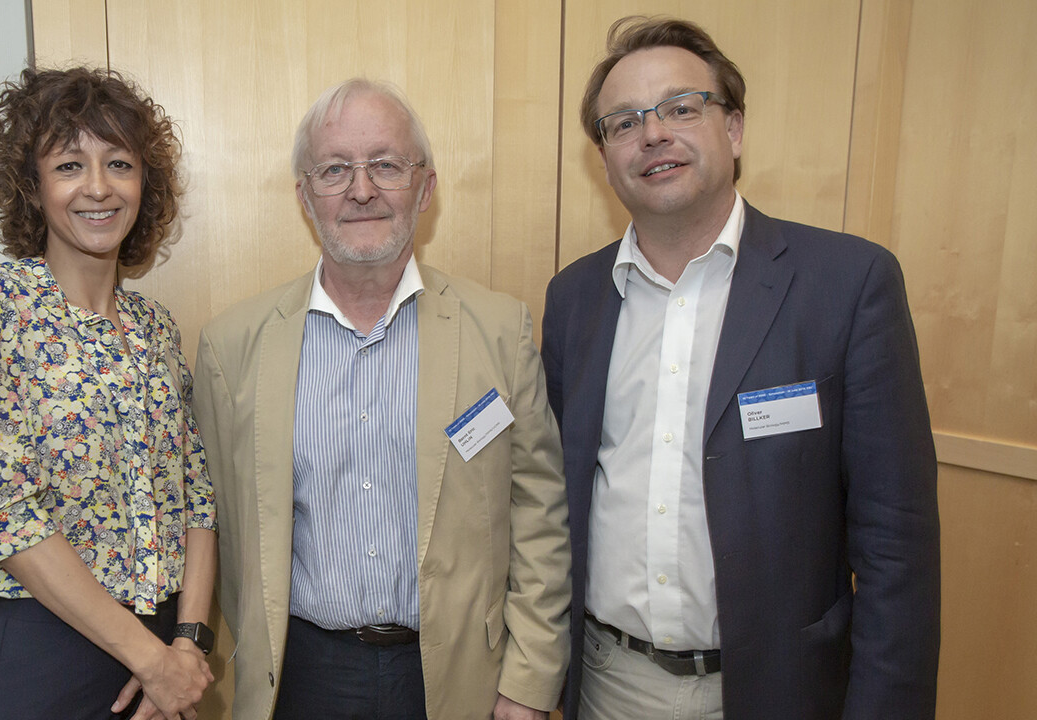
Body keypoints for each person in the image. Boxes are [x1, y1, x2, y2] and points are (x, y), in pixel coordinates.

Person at [541, 16, 940, 720]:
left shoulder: (846, 285)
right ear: (602, 155)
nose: (653, 134)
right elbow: (550, 503)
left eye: (681, 108)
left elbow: (896, 545)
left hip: (777, 690)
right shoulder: (574, 298)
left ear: (733, 129)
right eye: (624, 122)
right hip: (606, 685)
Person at [191, 78, 571, 720]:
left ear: (425, 188)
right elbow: (215, 520)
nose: (361, 190)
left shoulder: (500, 331)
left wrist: (529, 685)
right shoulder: (233, 347)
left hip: (460, 679)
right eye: (335, 169)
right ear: (305, 196)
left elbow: (539, 516)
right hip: (298, 681)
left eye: (386, 165)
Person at [0, 67, 217, 720]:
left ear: (146, 183)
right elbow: (5, 515)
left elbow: (198, 499)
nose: (99, 187)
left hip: (167, 652)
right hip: (50, 650)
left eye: (119, 163)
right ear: (32, 185)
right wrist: (150, 659)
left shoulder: (154, 329)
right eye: (69, 165)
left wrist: (188, 646)